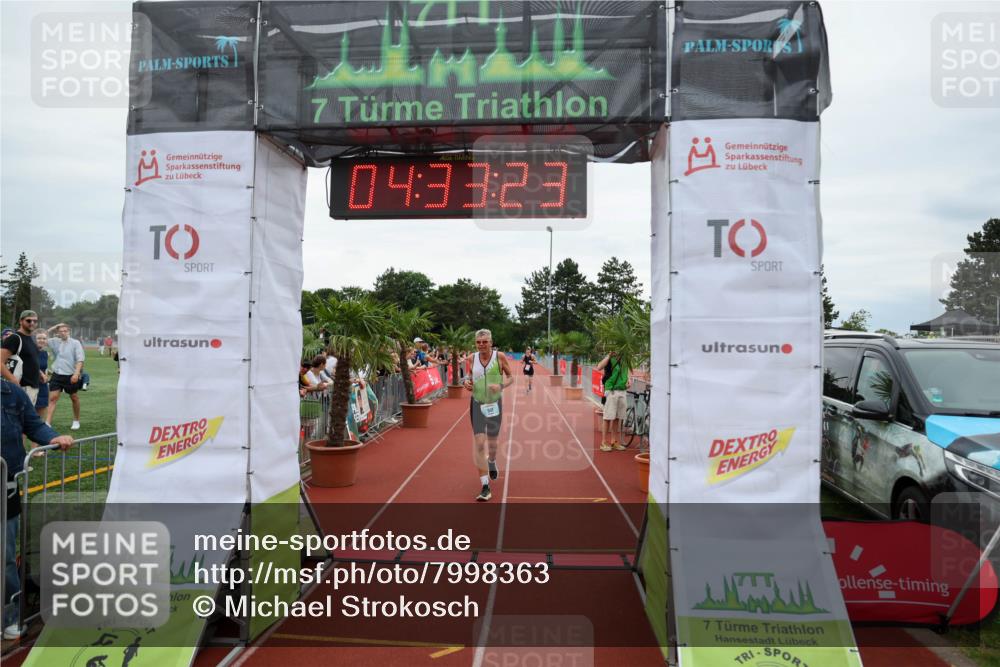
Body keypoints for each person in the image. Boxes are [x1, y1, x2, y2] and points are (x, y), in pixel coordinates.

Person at [3, 379, 74, 639]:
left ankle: (10, 616)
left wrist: (52, 436)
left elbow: (32, 424)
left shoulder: (11, 393)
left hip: (5, 483)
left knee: (5, 556)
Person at [463, 329, 514, 501]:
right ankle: (485, 486)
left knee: (492, 443)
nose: (481, 345)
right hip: (477, 404)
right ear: (475, 343)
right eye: (479, 342)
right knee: (479, 443)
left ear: (491, 342)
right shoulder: (471, 358)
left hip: (494, 404)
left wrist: (501, 386)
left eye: (485, 342)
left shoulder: (499, 357)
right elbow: (467, 377)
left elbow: (511, 378)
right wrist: (467, 383)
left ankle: (491, 461)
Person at [45, 323, 86, 430]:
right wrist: (54, 326)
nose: (63, 333)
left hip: (71, 375)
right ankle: (47, 423)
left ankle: (76, 420)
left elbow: (80, 359)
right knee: (52, 398)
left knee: (74, 398)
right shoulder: (54, 341)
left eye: (65, 331)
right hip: (57, 374)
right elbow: (43, 335)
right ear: (57, 332)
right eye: (61, 331)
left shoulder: (75, 343)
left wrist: (76, 374)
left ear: (69, 332)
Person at [1, 310, 43, 407]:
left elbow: (29, 361)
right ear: (21, 321)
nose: (32, 323)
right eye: (28, 321)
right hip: (20, 387)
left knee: (25, 420)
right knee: (16, 420)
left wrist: (39, 373)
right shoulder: (14, 338)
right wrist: (14, 381)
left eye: (35, 321)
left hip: (32, 387)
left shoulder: (31, 339)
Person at [596, 351, 630, 452]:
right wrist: (609, 356)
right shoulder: (610, 359)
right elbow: (599, 367)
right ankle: (603, 442)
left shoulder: (625, 360)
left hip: (622, 390)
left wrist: (627, 382)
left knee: (617, 417)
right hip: (611, 390)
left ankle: (614, 441)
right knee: (607, 417)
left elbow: (624, 375)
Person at [33, 331, 50, 422]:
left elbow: (44, 367)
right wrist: (41, 374)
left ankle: (39, 429)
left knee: (42, 408)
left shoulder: (45, 353)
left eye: (44, 338)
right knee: (29, 409)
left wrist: (46, 375)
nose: (42, 340)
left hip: (43, 385)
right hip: (31, 383)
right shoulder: (30, 351)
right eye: (39, 338)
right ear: (34, 339)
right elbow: (31, 365)